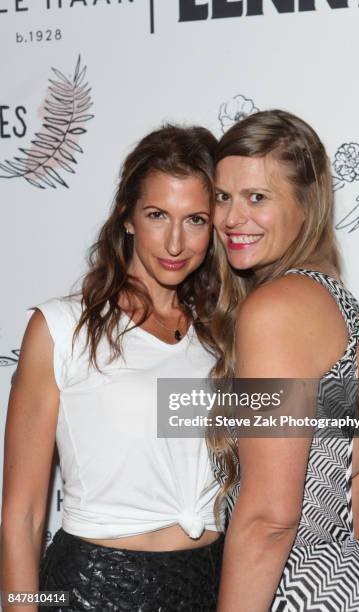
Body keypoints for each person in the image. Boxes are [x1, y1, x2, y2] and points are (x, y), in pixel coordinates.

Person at [0, 124, 225, 612]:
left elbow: (312, 414)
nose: (174, 242)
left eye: (195, 220)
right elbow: (23, 515)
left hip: (212, 584)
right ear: (127, 217)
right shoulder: (62, 327)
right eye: (157, 214)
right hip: (92, 588)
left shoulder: (221, 335)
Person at [207, 109, 359, 611]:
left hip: (306, 589)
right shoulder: (337, 303)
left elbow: (270, 520)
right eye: (222, 197)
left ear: (306, 205)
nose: (233, 218)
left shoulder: (275, 311)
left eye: (257, 197)